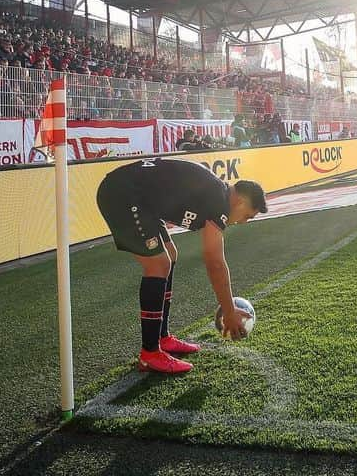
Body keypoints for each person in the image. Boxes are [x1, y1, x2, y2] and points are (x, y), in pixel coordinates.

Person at [96, 159, 267, 374]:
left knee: (170, 255)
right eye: (248, 216)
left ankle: (162, 338)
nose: (243, 222)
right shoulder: (219, 200)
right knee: (159, 264)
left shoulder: (217, 193)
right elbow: (214, 261)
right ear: (240, 201)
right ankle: (149, 353)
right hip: (122, 193)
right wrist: (229, 311)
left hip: (140, 198)